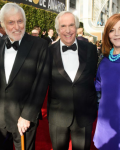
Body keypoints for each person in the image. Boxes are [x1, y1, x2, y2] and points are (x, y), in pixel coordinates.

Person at [0, 3, 50, 150]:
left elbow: (41, 83)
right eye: (11, 22)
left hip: (24, 120)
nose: (17, 27)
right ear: (3, 24)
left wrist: (27, 116)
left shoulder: (40, 46)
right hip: (0, 118)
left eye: (20, 21)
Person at [48, 11, 98, 150]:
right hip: (58, 115)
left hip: (84, 114)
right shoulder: (48, 52)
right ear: (58, 29)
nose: (68, 30)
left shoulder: (91, 49)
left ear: (76, 27)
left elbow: (93, 75)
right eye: (63, 26)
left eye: (71, 25)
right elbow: (41, 82)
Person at [93, 13, 120, 150]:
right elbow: (98, 90)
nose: (116, 34)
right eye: (112, 30)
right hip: (105, 121)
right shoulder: (104, 61)